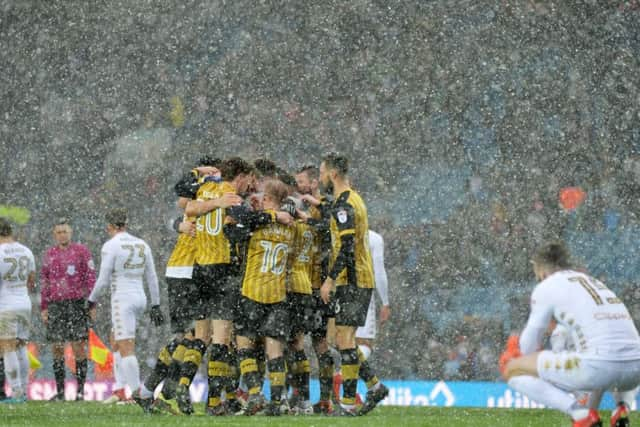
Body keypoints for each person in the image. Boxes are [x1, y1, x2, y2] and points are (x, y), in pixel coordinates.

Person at [504, 240, 640, 427]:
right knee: (609, 353)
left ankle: (580, 414)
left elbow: (529, 344)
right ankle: (622, 407)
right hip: (635, 373)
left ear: (541, 269)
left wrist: (519, 357)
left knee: (513, 370)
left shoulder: (547, 286)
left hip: (599, 367)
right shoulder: (592, 282)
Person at [318, 153, 389, 416]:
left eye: (322, 173)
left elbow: (347, 247)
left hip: (354, 279)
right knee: (342, 339)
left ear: (333, 174)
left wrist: (330, 279)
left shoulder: (344, 204)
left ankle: (348, 402)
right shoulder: (352, 199)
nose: (321, 178)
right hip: (358, 278)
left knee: (345, 339)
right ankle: (374, 386)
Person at [87, 208, 163, 406]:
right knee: (116, 341)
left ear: (109, 227)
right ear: (126, 224)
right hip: (140, 297)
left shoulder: (111, 245)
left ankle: (137, 395)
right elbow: (152, 277)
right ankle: (120, 391)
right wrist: (156, 304)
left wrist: (91, 300)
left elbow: (103, 279)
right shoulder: (142, 243)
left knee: (126, 347)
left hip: (123, 299)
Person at [40, 217, 96, 401]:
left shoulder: (81, 252)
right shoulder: (49, 255)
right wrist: (44, 306)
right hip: (56, 305)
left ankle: (80, 391)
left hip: (77, 303)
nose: (62, 235)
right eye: (59, 232)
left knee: (79, 347)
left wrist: (92, 304)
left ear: (71, 233)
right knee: (56, 347)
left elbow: (90, 278)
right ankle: (61, 392)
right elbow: (45, 282)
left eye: (65, 231)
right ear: (54, 235)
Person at [0, 217, 36, 403]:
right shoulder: (26, 250)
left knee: (7, 348)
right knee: (21, 345)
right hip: (24, 302)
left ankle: (16, 391)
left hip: (6, 303)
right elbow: (32, 280)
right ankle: (23, 388)